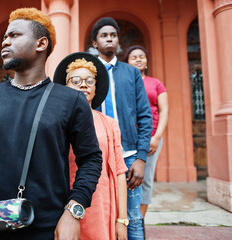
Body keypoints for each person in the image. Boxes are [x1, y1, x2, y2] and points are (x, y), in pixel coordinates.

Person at [0, 8, 103, 240]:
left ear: (41, 43)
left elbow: (91, 159)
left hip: (47, 229)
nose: (5, 42)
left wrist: (73, 210)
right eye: (4, 37)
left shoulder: (71, 100)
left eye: (14, 35)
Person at [53, 52, 128, 240]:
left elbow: (119, 172)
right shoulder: (54, 121)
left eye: (89, 80)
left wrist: (122, 219)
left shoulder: (109, 124)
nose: (83, 84)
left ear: (96, 87)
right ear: (64, 86)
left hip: (100, 206)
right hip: (62, 205)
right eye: (75, 80)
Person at [91, 17, 153, 239]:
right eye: (104, 35)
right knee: (101, 215)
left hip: (128, 156)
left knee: (133, 218)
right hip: (96, 157)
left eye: (113, 35)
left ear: (118, 41)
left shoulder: (132, 73)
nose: (109, 38)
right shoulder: (89, 73)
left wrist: (141, 158)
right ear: (95, 43)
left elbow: (145, 116)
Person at [124, 45, 169, 219]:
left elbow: (164, 110)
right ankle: (124, 217)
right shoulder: (124, 83)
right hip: (127, 137)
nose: (138, 59)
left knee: (145, 178)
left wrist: (157, 137)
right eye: (133, 57)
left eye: (141, 56)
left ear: (147, 61)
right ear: (127, 62)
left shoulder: (155, 83)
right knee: (126, 177)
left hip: (151, 138)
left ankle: (139, 220)